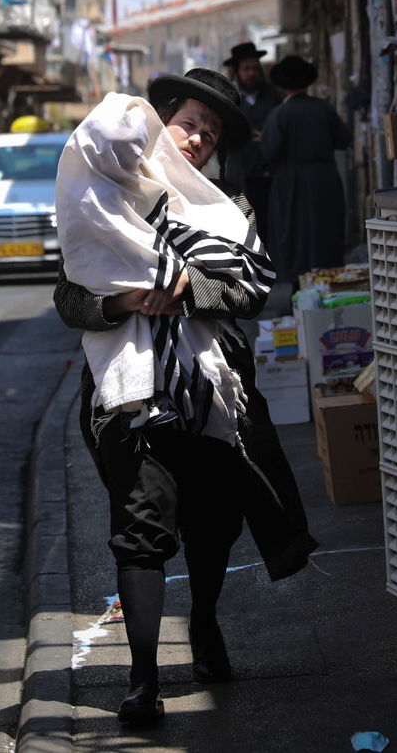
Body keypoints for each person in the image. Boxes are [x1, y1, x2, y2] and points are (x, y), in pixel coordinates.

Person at [53, 67, 317, 726]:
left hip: (213, 396)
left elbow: (253, 289)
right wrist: (119, 302)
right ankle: (143, 681)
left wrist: (186, 291)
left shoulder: (225, 211)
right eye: (188, 123)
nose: (197, 139)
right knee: (141, 529)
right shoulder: (106, 199)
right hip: (128, 392)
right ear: (159, 123)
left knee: (210, 524)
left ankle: (203, 622)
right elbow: (69, 298)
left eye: (210, 132)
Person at [260, 55, 349, 284]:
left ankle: (299, 289)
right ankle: (329, 285)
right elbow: (343, 139)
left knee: (295, 236)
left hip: (292, 183)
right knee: (325, 232)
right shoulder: (324, 108)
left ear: (282, 86)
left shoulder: (279, 114)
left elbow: (269, 151)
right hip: (325, 180)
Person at [222, 42, 282, 239]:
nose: (251, 73)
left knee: (272, 228)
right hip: (241, 175)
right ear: (237, 70)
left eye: (255, 68)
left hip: (270, 176)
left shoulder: (272, 95)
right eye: (246, 69)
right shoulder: (228, 98)